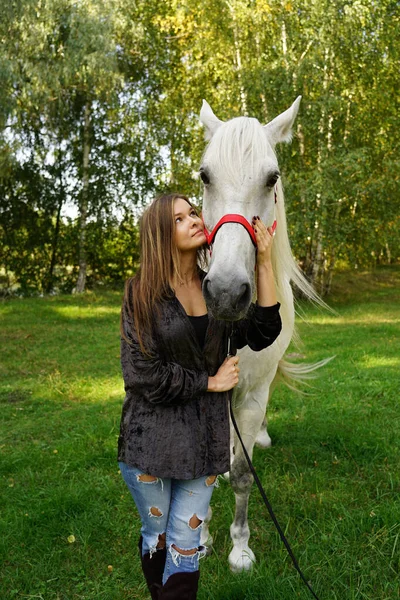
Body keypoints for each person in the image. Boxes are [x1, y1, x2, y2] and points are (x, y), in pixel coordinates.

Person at [118, 193, 282, 600]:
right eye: (179, 219)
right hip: (150, 445)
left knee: (185, 543)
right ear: (160, 234)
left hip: (203, 442)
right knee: (157, 535)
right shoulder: (141, 292)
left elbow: (262, 331)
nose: (193, 219)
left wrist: (264, 261)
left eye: (193, 212)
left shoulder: (216, 291)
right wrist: (209, 382)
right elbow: (141, 375)